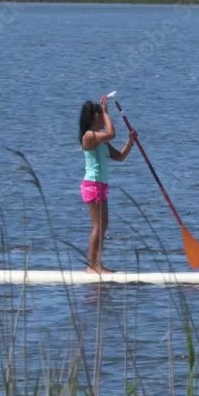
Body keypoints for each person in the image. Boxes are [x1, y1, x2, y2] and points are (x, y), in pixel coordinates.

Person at [79, 96, 137, 273]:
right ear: (93, 118)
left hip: (100, 186)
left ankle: (97, 263)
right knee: (99, 225)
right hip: (92, 185)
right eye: (100, 116)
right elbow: (111, 133)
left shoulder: (101, 141)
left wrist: (131, 141)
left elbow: (119, 157)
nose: (103, 119)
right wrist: (106, 111)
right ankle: (92, 266)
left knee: (104, 224)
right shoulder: (89, 136)